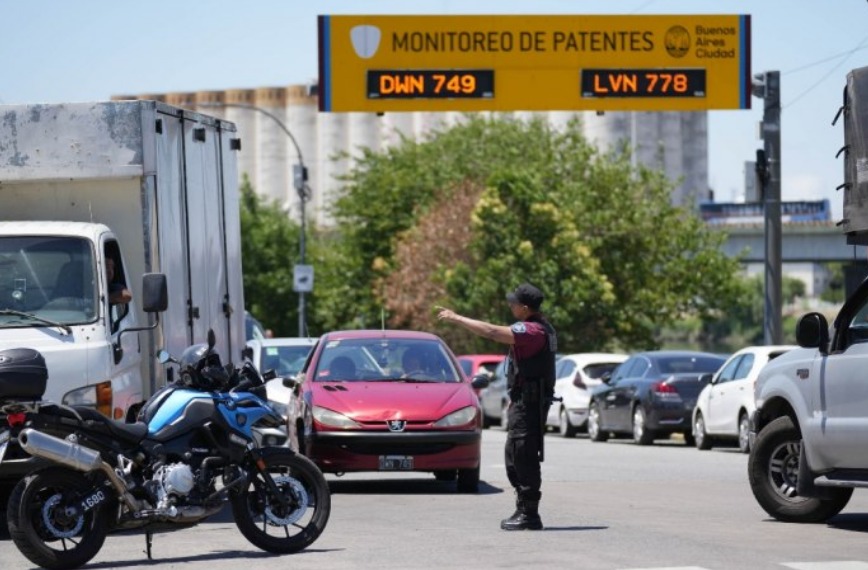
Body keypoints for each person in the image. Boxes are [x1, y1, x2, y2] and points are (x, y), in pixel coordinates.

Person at [437, 283, 556, 531]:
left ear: (525, 308)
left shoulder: (533, 331)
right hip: (525, 401)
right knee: (515, 455)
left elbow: (492, 332)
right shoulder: (539, 327)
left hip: (529, 404)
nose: (510, 306)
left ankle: (529, 514)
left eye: (514, 303)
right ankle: (524, 509)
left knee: (523, 455)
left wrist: (457, 318)